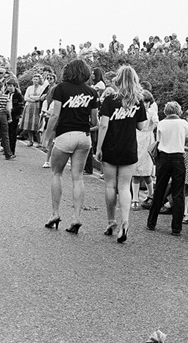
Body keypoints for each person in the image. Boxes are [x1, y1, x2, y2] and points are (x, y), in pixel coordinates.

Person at [42, 59, 99, 234]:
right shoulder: (92, 92)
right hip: (84, 137)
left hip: (65, 135)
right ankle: (76, 217)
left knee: (57, 173)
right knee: (78, 177)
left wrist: (46, 136)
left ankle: (55, 213)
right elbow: (95, 121)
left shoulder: (61, 88)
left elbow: (55, 115)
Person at [95, 65, 147, 243]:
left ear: (118, 79)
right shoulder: (138, 101)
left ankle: (111, 221)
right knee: (125, 187)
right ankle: (125, 222)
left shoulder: (110, 100)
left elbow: (103, 125)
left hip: (110, 146)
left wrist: (99, 148)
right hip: (129, 147)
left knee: (110, 186)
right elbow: (141, 126)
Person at [146, 101, 188, 236]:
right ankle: (176, 228)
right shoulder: (183, 123)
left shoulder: (162, 123)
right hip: (178, 158)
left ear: (166, 111)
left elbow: (159, 140)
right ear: (178, 111)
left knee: (159, 190)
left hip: (163, 158)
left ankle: (151, 222)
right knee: (178, 192)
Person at [132, 90, 158, 210]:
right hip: (137, 137)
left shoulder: (152, 111)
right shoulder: (137, 110)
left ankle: (151, 195)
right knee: (136, 171)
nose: (145, 104)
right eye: (143, 102)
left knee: (147, 171)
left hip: (147, 139)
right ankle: (135, 198)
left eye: (147, 102)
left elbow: (157, 123)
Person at [21, 74, 48, 147]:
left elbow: (41, 98)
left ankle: (39, 142)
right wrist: (34, 99)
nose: (35, 81)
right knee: (29, 125)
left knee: (37, 125)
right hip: (29, 107)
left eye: (37, 79)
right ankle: (30, 140)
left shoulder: (42, 88)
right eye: (34, 79)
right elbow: (26, 97)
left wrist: (33, 97)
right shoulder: (29, 88)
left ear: (39, 80)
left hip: (37, 108)